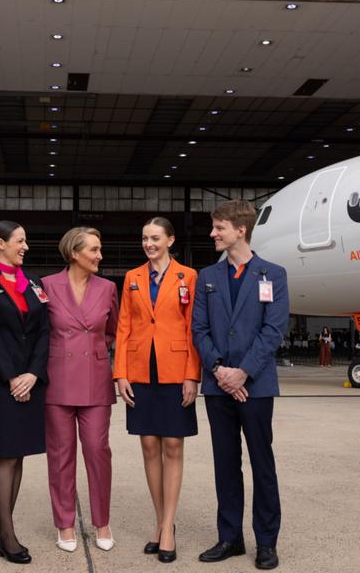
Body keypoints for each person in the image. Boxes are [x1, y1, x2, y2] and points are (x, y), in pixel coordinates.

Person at [191, 199, 289, 570]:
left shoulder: (273, 274)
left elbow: (273, 330)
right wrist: (219, 371)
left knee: (262, 464)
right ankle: (230, 537)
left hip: (256, 386)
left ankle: (266, 541)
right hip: (219, 387)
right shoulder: (208, 278)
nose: (213, 234)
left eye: (219, 228)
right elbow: (198, 329)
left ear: (240, 230)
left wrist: (243, 372)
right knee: (225, 464)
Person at [114, 217, 200, 563]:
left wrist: (193, 375)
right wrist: (120, 373)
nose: (149, 244)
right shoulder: (132, 278)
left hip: (176, 368)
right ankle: (160, 520)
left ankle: (167, 528)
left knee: (173, 445)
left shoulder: (188, 276)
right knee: (149, 445)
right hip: (139, 369)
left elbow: (194, 326)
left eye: (155, 238)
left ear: (170, 240)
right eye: (145, 238)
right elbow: (123, 327)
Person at [0, 221, 50, 565]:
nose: (25, 246)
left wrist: (32, 373)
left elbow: (45, 330)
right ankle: (8, 533)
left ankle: (4, 528)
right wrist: (12, 377)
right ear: (0, 243)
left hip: (30, 380)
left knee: (18, 455)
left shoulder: (34, 283)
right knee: (6, 455)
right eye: (20, 241)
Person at [41, 227, 119, 553]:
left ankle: (102, 521)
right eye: (94, 250)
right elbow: (39, 332)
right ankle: (65, 524)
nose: (100, 256)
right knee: (60, 456)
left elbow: (113, 331)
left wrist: (96, 353)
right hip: (57, 379)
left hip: (96, 380)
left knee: (98, 452)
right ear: (74, 253)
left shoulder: (108, 287)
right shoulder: (46, 285)